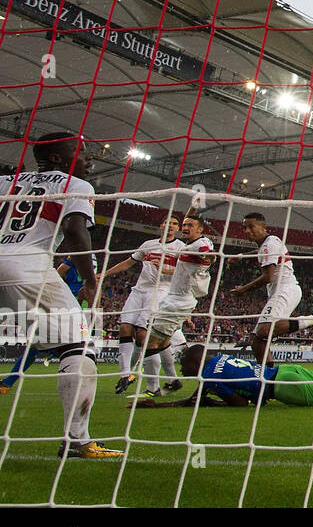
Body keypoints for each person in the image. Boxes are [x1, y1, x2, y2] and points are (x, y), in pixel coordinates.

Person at [0, 132, 121, 458]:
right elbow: (74, 229)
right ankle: (77, 440)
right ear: (56, 159)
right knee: (79, 346)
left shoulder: (7, 182)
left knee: (50, 340)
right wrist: (91, 279)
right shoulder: (76, 186)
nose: (89, 159)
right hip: (25, 265)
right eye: (80, 152)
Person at [134, 340, 313, 408]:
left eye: (184, 365)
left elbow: (239, 404)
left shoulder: (209, 377)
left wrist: (160, 404)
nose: (183, 369)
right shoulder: (219, 358)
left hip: (284, 388)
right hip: (286, 371)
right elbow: (197, 398)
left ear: (195, 361)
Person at [117, 212, 214, 393]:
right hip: (175, 299)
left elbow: (207, 254)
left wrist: (209, 259)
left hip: (175, 299)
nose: (185, 228)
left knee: (149, 342)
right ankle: (172, 381)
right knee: (162, 343)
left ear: (200, 229)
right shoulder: (187, 246)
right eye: (184, 225)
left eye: (188, 226)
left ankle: (152, 388)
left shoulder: (197, 245)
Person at [231, 213, 313, 367]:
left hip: (285, 290)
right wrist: (241, 256)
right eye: (244, 227)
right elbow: (261, 253)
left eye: (251, 226)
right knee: (257, 343)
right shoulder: (267, 244)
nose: (247, 231)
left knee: (264, 331)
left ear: (263, 227)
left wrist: (243, 290)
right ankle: (267, 377)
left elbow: (268, 277)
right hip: (280, 292)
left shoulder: (269, 243)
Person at [99, 216, 183, 396]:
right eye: (166, 222)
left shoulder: (180, 248)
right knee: (124, 328)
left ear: (177, 229)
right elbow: (129, 263)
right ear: (161, 225)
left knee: (144, 335)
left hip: (161, 290)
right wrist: (104, 274)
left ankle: (155, 386)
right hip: (139, 290)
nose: (170, 226)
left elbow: (185, 273)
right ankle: (126, 374)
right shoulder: (148, 244)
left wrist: (165, 269)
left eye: (174, 224)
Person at [0, 254, 92, 394]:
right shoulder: (91, 257)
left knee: (37, 344)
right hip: (78, 304)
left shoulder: (74, 255)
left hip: (62, 301)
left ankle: (8, 383)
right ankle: (7, 383)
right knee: (39, 344)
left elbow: (58, 273)